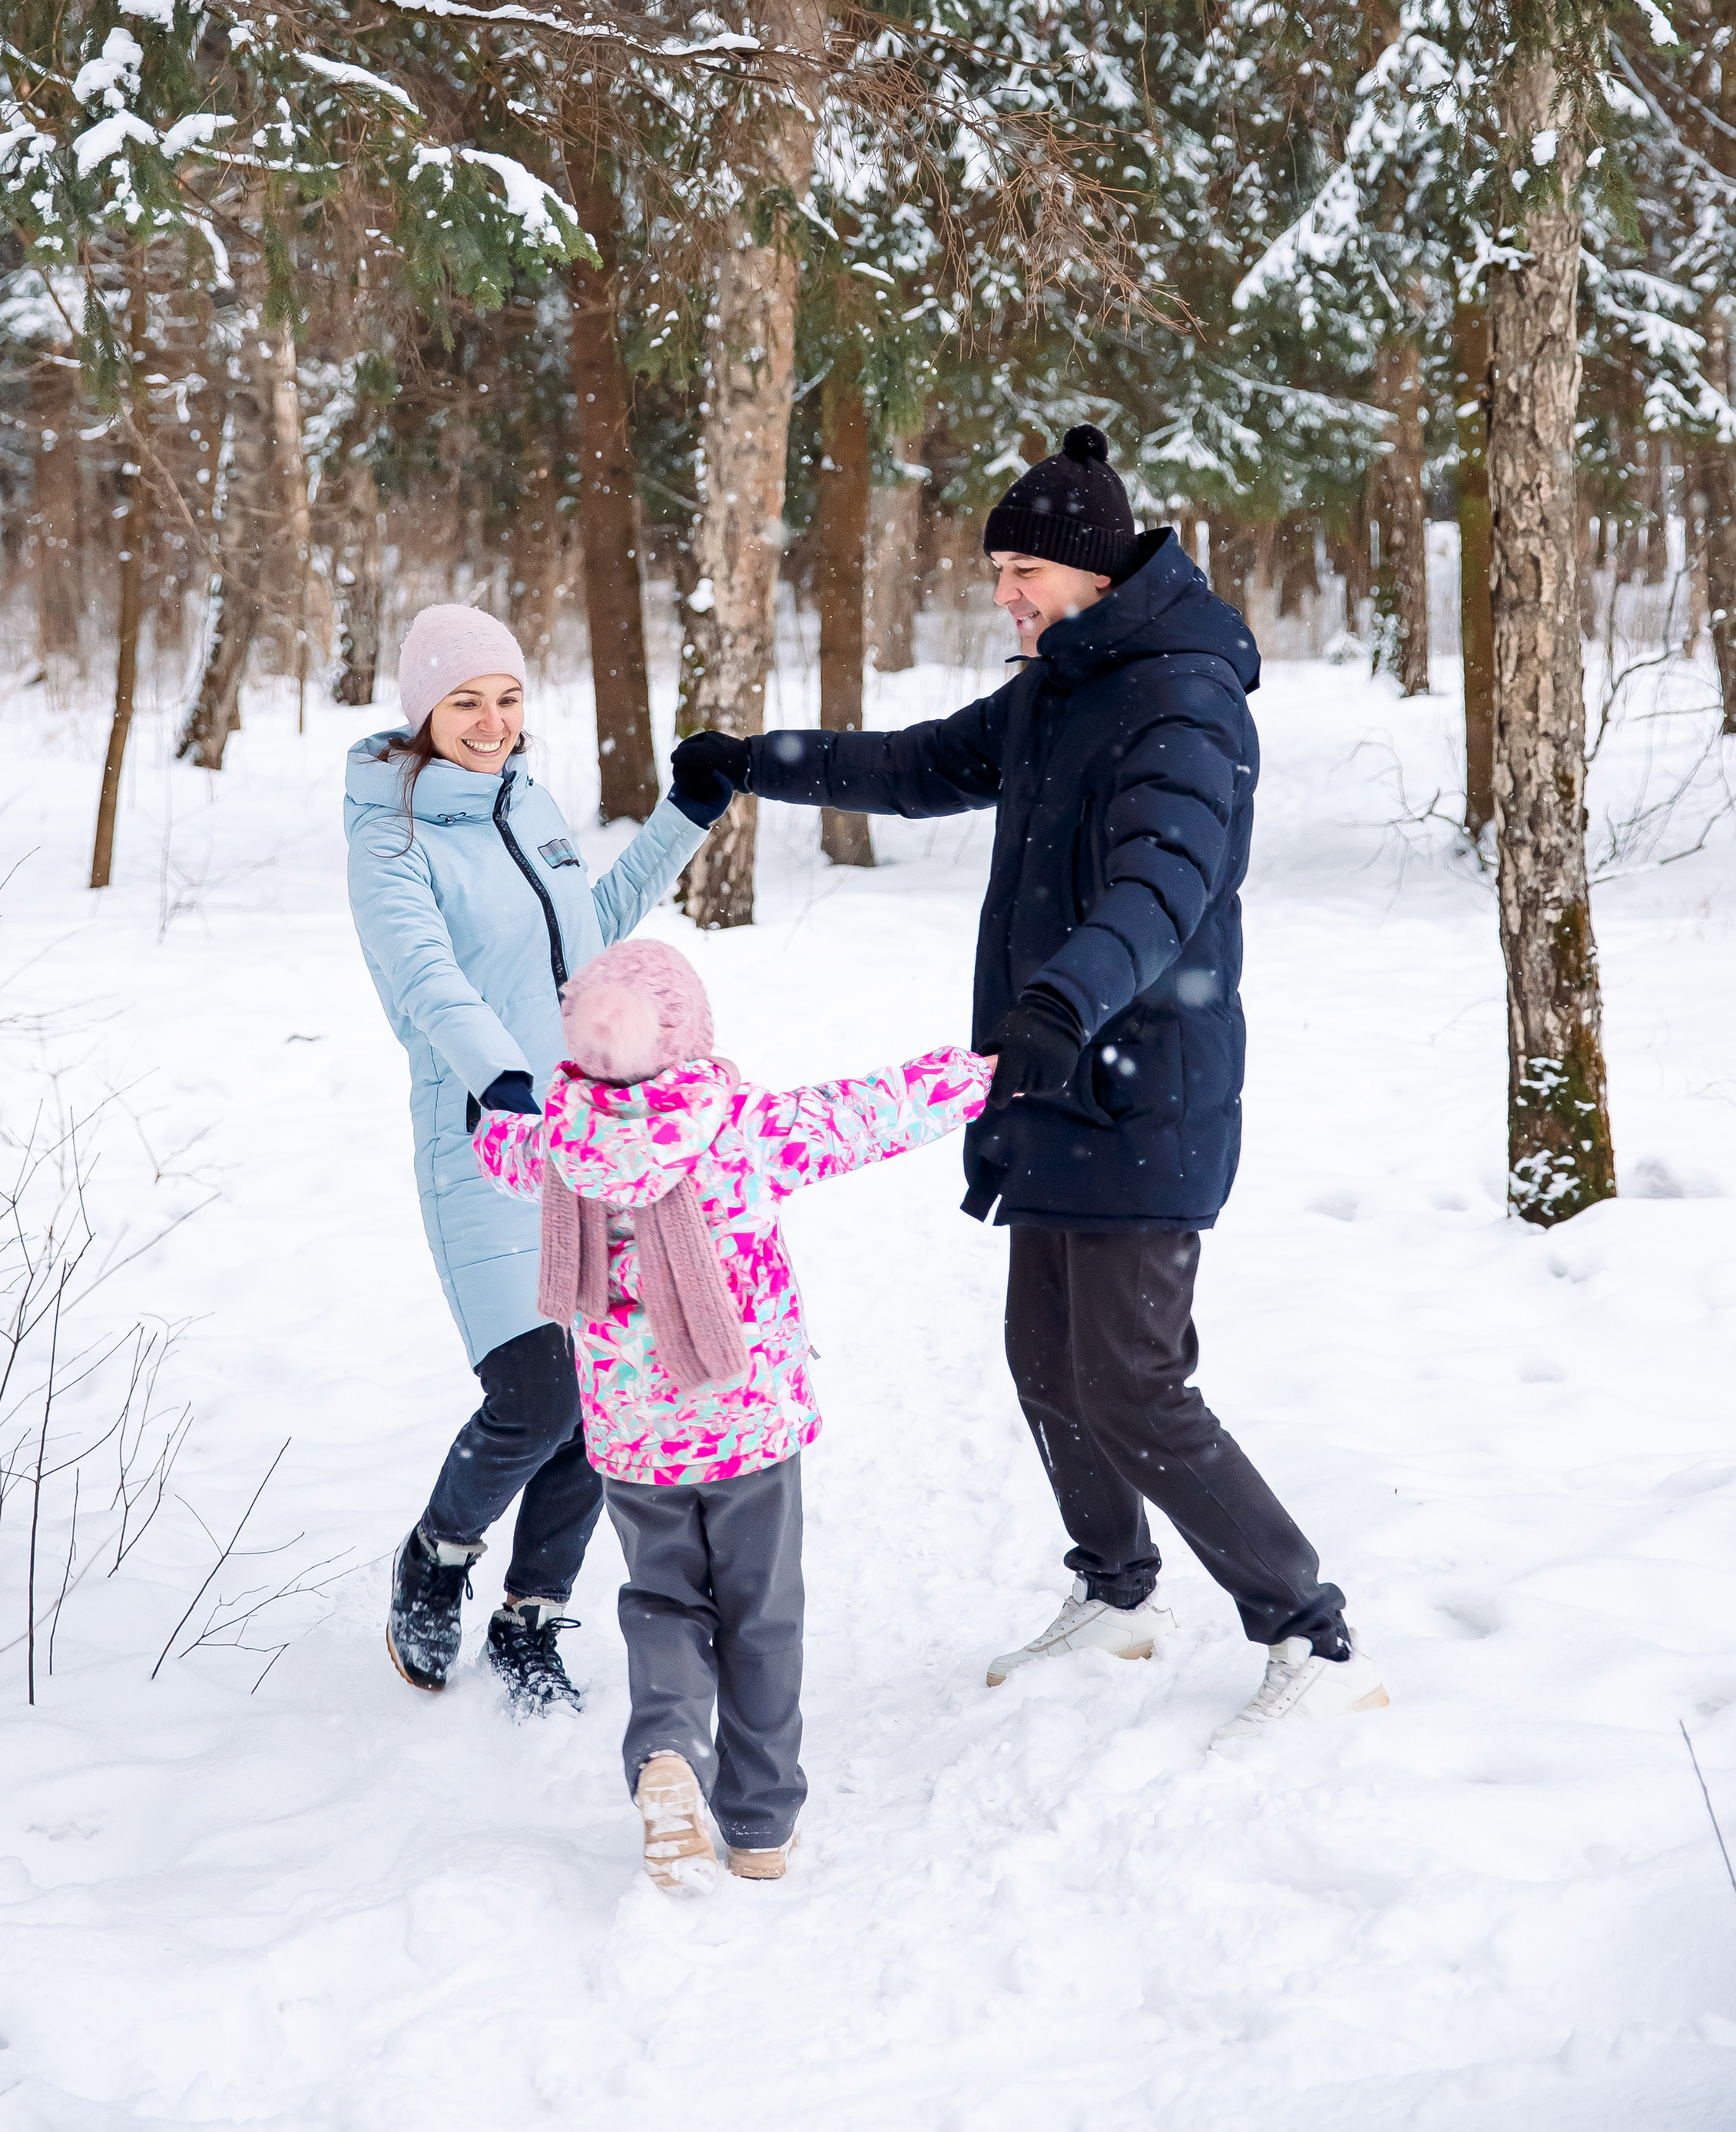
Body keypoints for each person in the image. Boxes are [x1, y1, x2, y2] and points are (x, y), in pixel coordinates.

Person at [671, 426, 1387, 1740]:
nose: (1006, 592)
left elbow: (1162, 885)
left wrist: (1064, 995)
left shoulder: (1180, 695)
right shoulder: (1061, 684)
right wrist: (751, 760)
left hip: (1140, 1078)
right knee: (1045, 1362)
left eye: (1025, 571)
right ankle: (1117, 1591)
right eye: (998, 567)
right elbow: (917, 766)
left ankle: (1305, 1624)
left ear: (1095, 573)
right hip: (1052, 1072)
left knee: (1130, 1379)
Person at [473, 933, 992, 1887]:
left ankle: (668, 1751)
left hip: (633, 1438)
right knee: (760, 1614)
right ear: (691, 1036)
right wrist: (975, 1074)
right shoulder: (737, 1126)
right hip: (746, 1420)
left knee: (664, 1600)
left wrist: (495, 1111)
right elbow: (866, 1113)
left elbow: (496, 1144)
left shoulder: (557, 1141)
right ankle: (756, 1825)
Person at [345, 605, 731, 1714]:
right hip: (482, 1140)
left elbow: (593, 926)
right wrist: (502, 1081)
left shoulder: (531, 804)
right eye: (465, 702)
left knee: (599, 1394)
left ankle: (533, 1614)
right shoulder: (394, 839)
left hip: (580, 1140)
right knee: (534, 1394)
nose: (491, 722)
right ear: (422, 711)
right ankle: (439, 1555)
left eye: (507, 699)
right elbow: (426, 980)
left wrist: (684, 818)